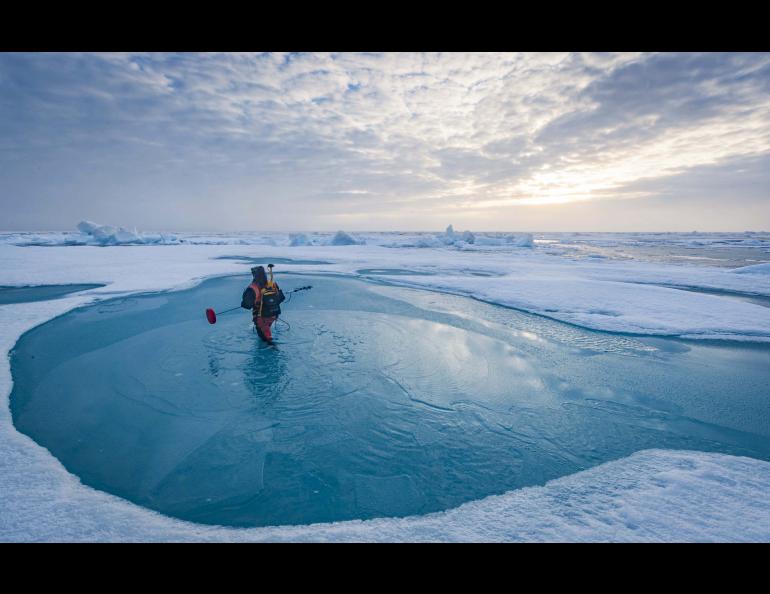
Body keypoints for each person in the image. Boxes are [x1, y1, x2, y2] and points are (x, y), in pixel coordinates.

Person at [241, 265, 285, 345]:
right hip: (273, 315)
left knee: (266, 340)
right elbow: (281, 298)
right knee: (266, 330)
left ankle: (271, 346)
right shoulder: (272, 284)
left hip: (261, 318)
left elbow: (247, 305)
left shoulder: (253, 288)